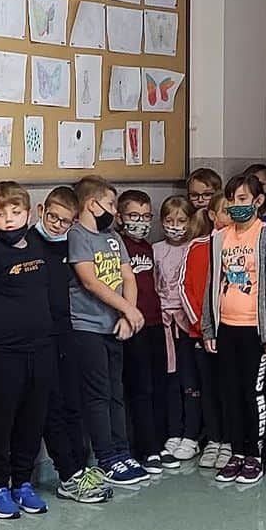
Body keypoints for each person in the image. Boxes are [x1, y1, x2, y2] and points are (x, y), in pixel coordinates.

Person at [0, 182, 55, 519]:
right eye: (1, 214)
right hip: (3, 353)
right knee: (1, 420)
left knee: (32, 418)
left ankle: (23, 482)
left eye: (16, 213)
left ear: (28, 213)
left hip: (40, 349)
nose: (9, 219)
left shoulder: (38, 248)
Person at [202, 174, 266, 484]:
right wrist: (209, 328)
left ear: (257, 201)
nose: (235, 205)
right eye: (231, 200)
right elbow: (212, 283)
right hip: (226, 327)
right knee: (230, 392)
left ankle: (254, 454)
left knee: (253, 392)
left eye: (242, 199)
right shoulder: (219, 238)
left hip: (255, 329)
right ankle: (236, 452)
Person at [32, 187, 112, 504]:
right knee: (50, 407)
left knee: (73, 402)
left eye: (65, 221)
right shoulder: (29, 243)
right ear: (41, 210)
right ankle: (68, 474)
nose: (57, 225)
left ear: (74, 221)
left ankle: (80, 468)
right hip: (39, 338)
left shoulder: (71, 244)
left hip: (69, 333)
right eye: (53, 217)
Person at [68, 175, 149, 486]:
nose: (115, 212)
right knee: (98, 395)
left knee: (116, 392)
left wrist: (128, 316)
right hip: (87, 328)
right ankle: (106, 457)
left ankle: (121, 451)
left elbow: (128, 277)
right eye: (111, 204)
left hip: (115, 327)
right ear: (92, 204)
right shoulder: (78, 236)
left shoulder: (113, 237)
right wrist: (129, 309)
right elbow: (90, 281)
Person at [117, 189, 175, 476]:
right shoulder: (118, 246)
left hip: (155, 323)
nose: (140, 222)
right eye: (133, 216)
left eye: (145, 216)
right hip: (133, 325)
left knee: (159, 384)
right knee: (140, 388)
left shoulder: (148, 248)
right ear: (119, 217)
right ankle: (146, 447)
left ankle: (160, 443)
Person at [181, 192, 232, 469]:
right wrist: (202, 327)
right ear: (212, 215)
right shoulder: (197, 246)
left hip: (234, 332)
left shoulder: (242, 246)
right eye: (225, 211)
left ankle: (231, 441)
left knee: (231, 388)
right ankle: (214, 439)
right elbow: (184, 288)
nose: (230, 216)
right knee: (209, 388)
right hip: (203, 334)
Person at [154, 195, 202, 462]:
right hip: (163, 325)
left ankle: (191, 435)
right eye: (169, 220)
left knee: (190, 381)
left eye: (181, 220)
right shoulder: (155, 250)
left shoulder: (193, 248)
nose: (175, 226)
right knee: (170, 381)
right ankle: (174, 431)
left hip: (188, 324)